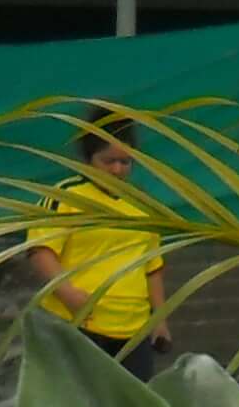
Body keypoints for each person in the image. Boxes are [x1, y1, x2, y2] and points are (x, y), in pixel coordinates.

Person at [23, 112, 169, 383]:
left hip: (133, 330)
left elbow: (153, 269)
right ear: (88, 159)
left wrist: (159, 321)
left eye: (125, 162)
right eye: (108, 161)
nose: (117, 170)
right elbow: (41, 251)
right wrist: (67, 293)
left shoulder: (142, 206)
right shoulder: (65, 195)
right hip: (78, 324)